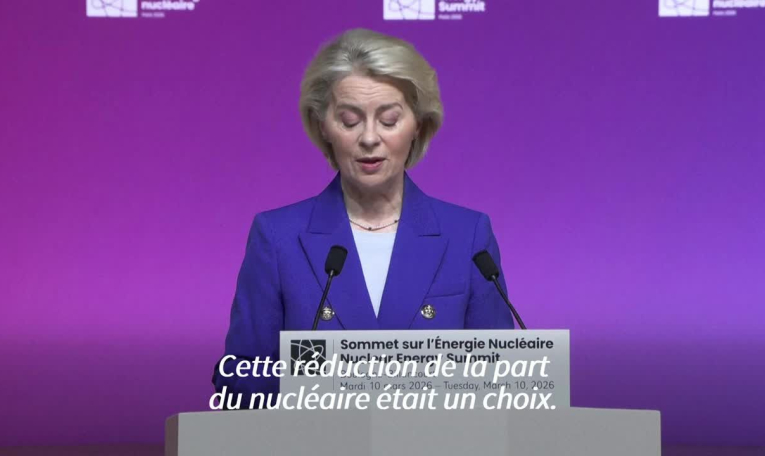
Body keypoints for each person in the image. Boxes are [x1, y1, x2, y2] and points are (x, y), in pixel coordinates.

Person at [213, 28, 513, 399]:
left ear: (417, 125)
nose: (369, 138)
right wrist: (323, 387)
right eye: (350, 120)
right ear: (323, 126)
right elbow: (240, 380)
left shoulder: (467, 236)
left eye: (389, 120)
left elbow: (504, 378)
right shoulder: (277, 238)